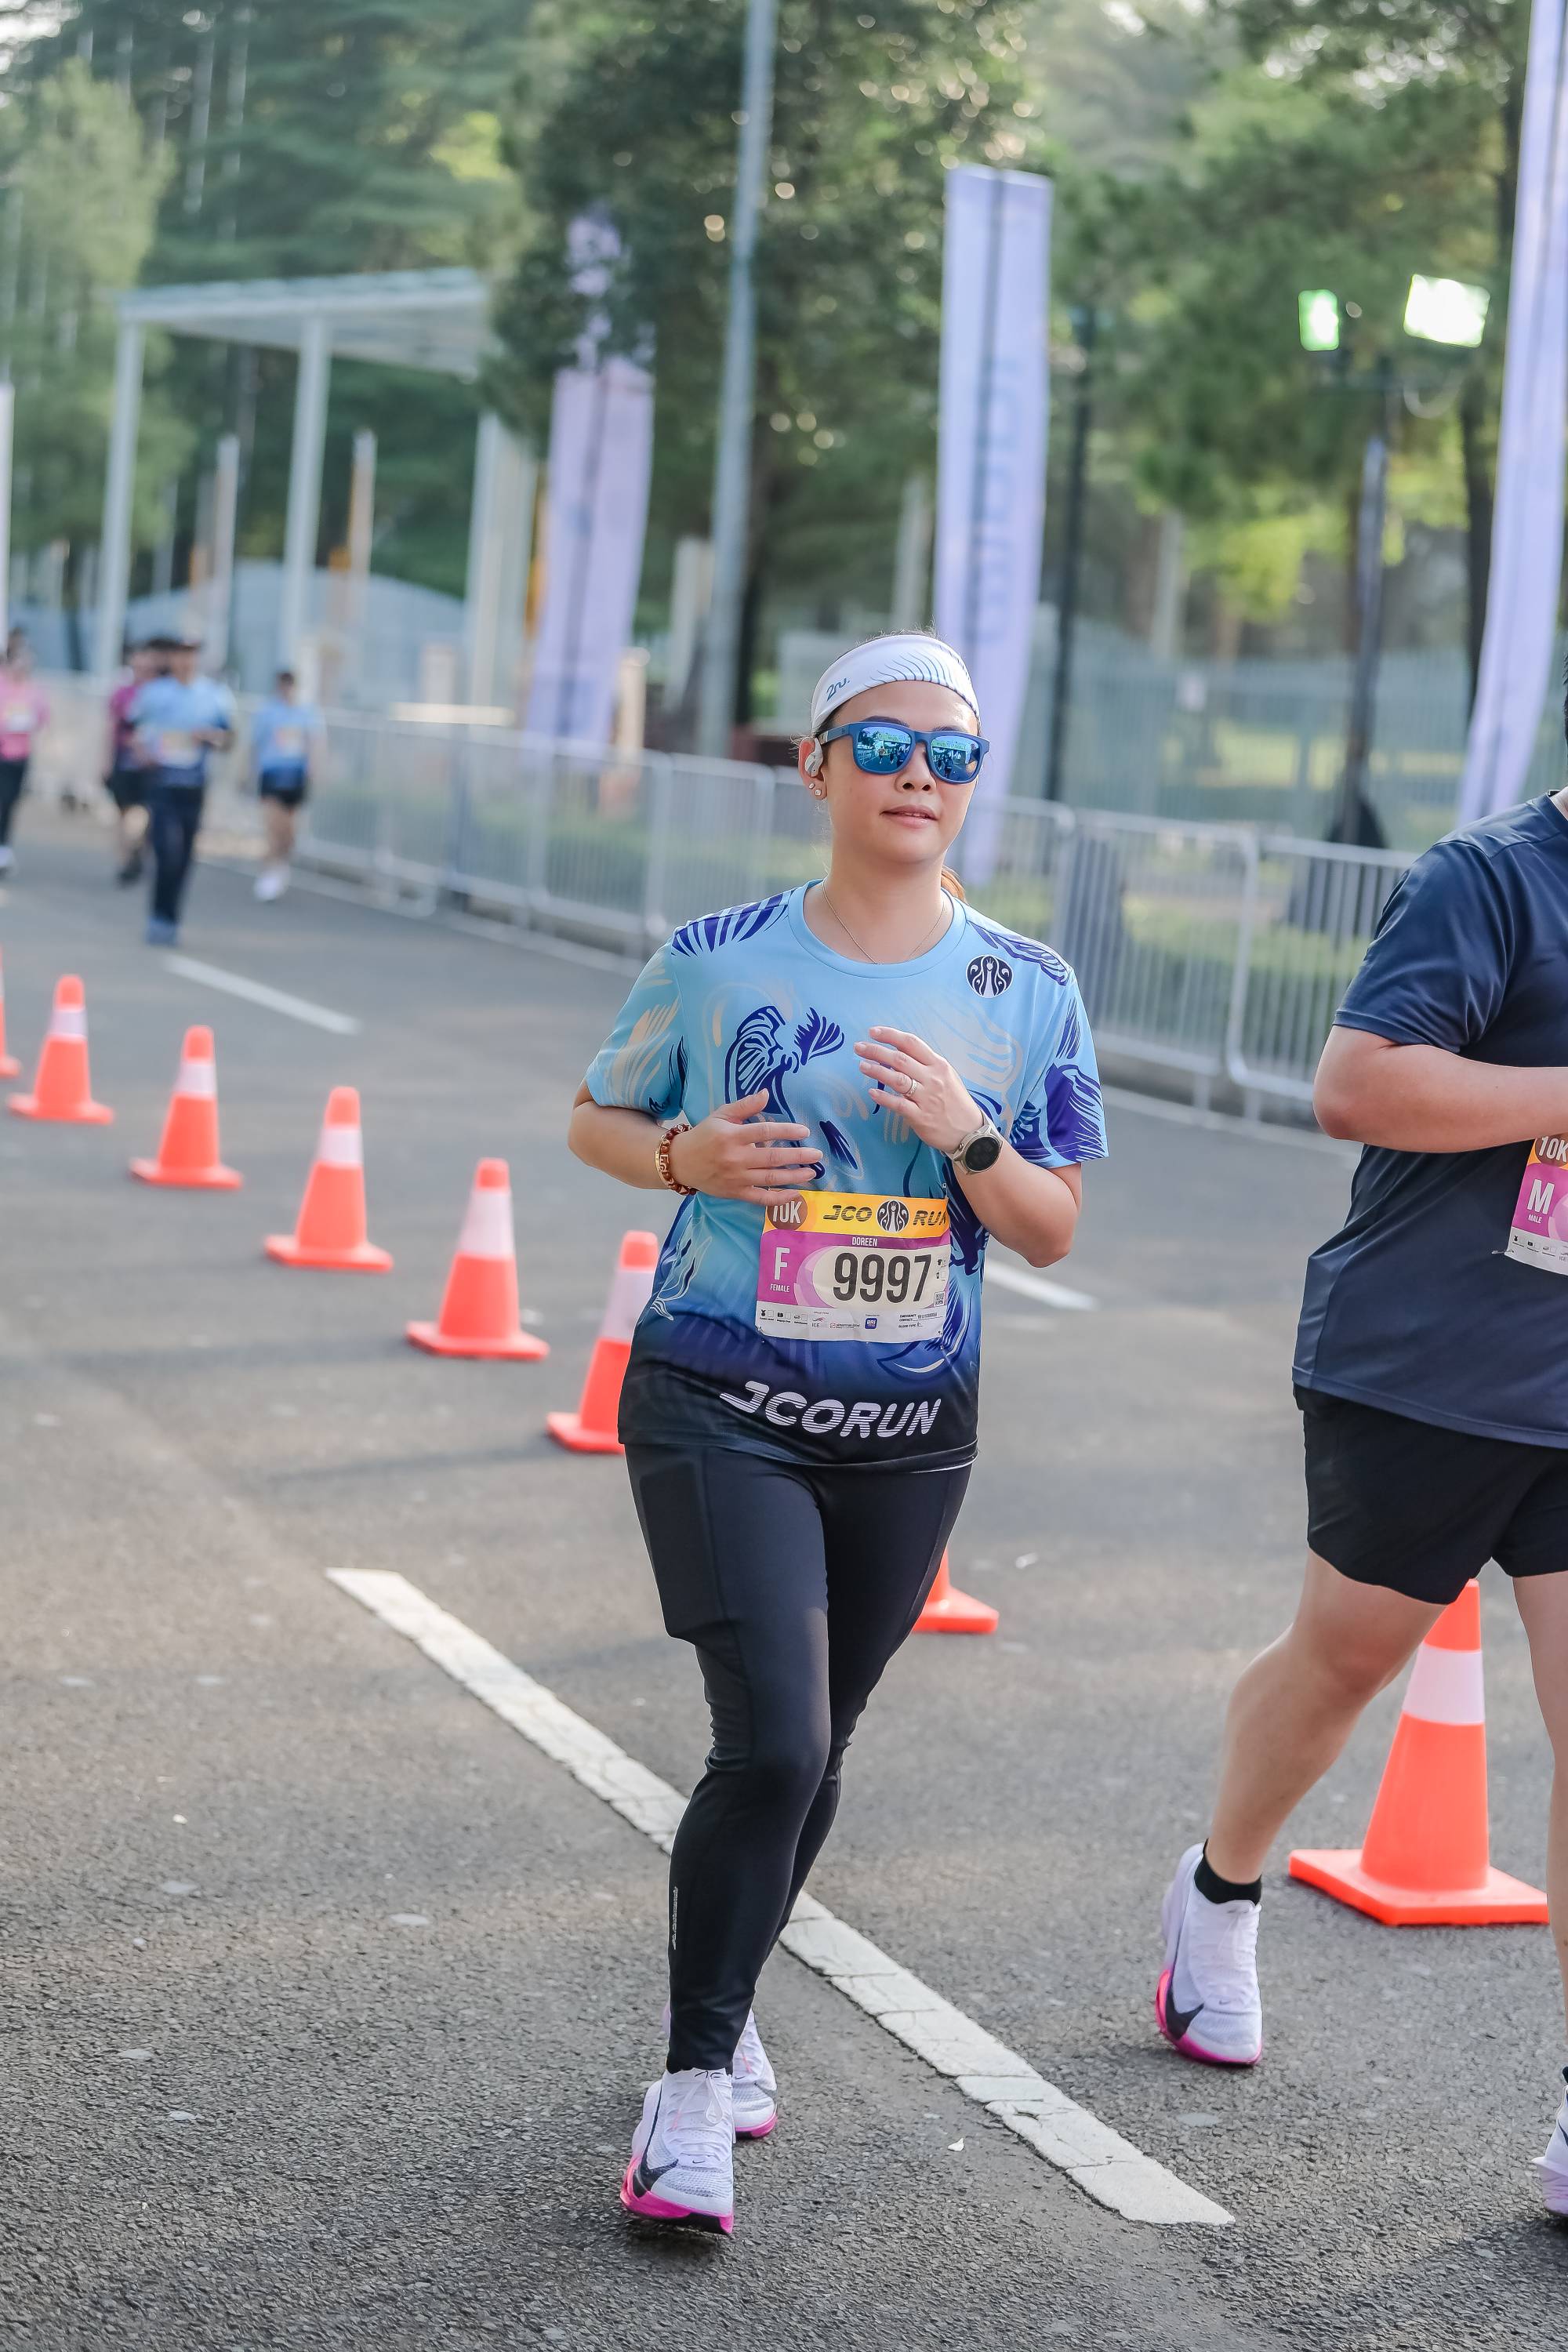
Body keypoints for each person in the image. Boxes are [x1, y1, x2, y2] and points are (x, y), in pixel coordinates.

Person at [569, 631, 1108, 2235]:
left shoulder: (1026, 989)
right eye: (880, 746)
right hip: (717, 1397)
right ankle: (689, 2093)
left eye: (952, 753)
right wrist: (687, 1160)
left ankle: (725, 2012)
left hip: (910, 1429)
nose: (917, 777)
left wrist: (969, 1133)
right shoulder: (717, 958)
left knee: (820, 1746)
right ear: (814, 768)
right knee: (778, 1744)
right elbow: (595, 1116)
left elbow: (1053, 1224)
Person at [1156, 752, 1568, 2219]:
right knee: (1345, 1662)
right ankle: (1220, 1885)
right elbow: (1358, 1084)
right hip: (1432, 1362)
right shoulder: (1491, 881)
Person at [129, 633, 236, 946]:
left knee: (185, 857)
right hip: (163, 782)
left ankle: (171, 917)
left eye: (191, 654)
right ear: (172, 658)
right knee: (167, 851)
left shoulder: (214, 695)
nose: (185, 660)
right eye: (180, 654)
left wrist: (211, 737)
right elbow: (134, 732)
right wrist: (143, 753)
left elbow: (229, 738)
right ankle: (158, 917)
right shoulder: (155, 693)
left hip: (194, 785)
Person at [251, 667, 324, 902]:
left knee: (289, 831)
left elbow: (315, 742)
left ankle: (281, 865)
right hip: (272, 774)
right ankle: (269, 872)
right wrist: (249, 772)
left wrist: (314, 768)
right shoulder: (268, 712)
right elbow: (255, 743)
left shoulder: (306, 712)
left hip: (295, 777)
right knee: (273, 826)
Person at [104, 641, 159, 885]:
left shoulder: (160, 693)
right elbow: (110, 728)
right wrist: (105, 761)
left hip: (151, 766)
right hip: (125, 762)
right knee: (125, 813)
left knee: (143, 814)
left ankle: (137, 853)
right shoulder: (122, 693)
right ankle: (125, 859)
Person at [0, 630, 49, 878]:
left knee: (9, 802)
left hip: (20, 755)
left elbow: (42, 717)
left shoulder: (34, 690)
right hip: (2, 751)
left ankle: (3, 848)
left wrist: (27, 720)